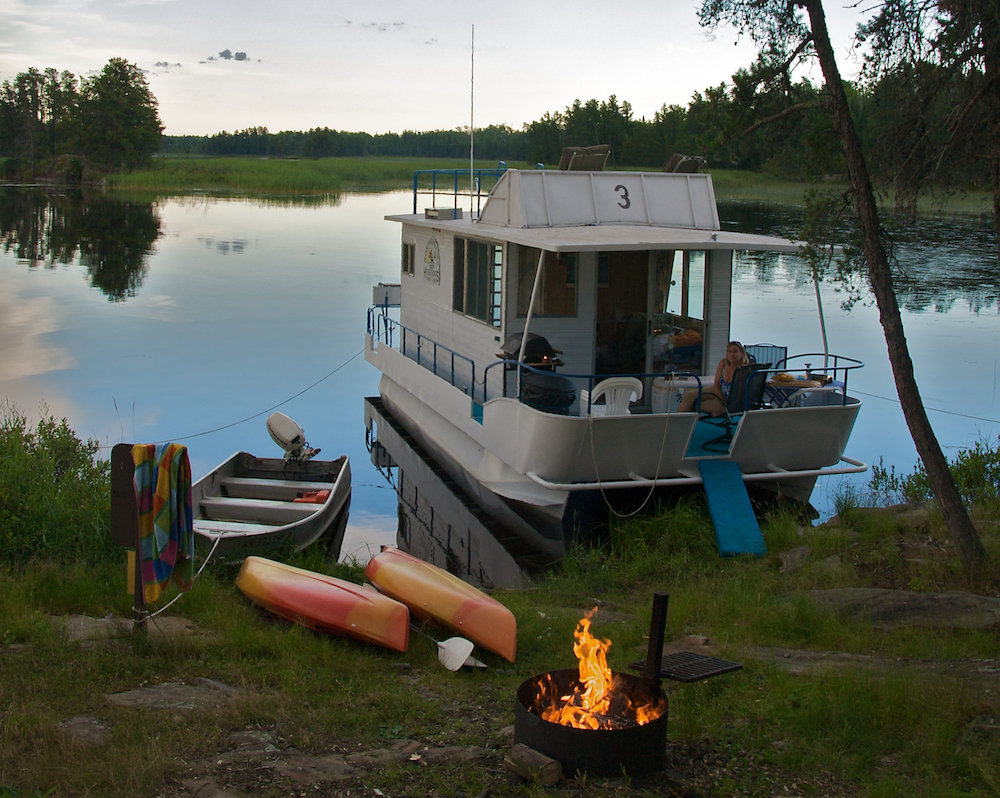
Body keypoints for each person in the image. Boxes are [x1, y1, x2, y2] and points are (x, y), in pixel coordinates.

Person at [676, 341, 749, 416]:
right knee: (688, 397)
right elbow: (716, 385)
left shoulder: (743, 370)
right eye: (729, 351)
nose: (732, 354)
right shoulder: (723, 363)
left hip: (729, 401)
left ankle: (685, 425)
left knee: (696, 405)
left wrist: (725, 408)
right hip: (719, 391)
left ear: (742, 354)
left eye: (735, 352)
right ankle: (676, 425)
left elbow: (739, 395)